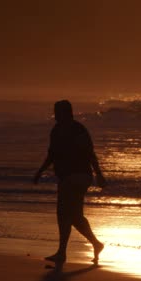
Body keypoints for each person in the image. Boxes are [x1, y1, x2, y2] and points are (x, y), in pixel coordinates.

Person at [32, 99, 106, 265]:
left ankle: (62, 253)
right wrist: (40, 171)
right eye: (55, 112)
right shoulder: (59, 130)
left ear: (66, 113)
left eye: (58, 112)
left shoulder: (76, 130)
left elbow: (89, 153)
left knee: (64, 214)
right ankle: (95, 244)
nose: (55, 115)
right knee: (75, 216)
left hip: (76, 176)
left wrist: (99, 174)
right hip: (72, 177)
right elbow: (52, 155)